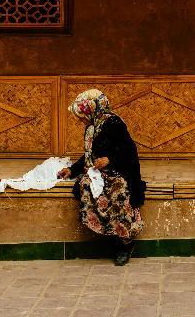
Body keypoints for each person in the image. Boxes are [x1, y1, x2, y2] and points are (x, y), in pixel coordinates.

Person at [57, 89, 146, 266]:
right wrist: (72, 170)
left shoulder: (114, 123)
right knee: (86, 185)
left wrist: (110, 160)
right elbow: (89, 155)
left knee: (118, 190)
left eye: (82, 116)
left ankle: (124, 243)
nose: (80, 120)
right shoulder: (92, 127)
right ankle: (109, 237)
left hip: (120, 170)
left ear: (92, 110)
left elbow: (129, 152)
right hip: (98, 172)